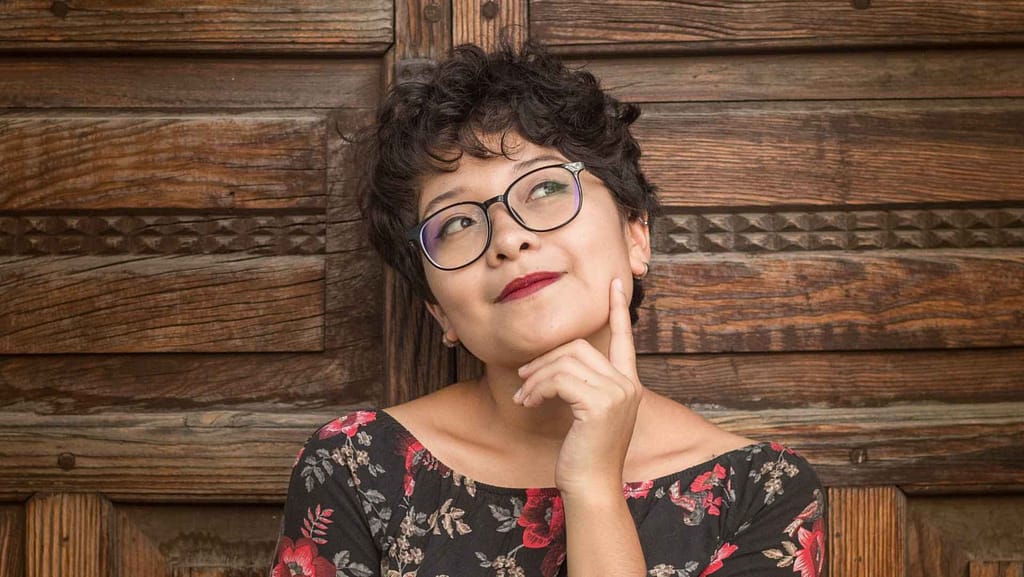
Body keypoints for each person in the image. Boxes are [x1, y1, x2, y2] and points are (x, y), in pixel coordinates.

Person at [270, 42, 826, 577]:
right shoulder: (355, 465)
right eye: (458, 222)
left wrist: (591, 486)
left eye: (544, 189)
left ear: (636, 235)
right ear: (438, 310)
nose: (508, 240)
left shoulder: (765, 492)